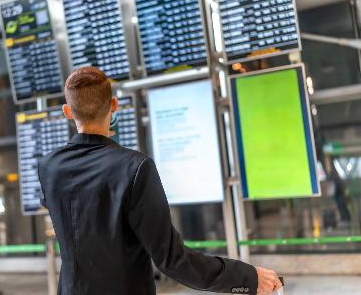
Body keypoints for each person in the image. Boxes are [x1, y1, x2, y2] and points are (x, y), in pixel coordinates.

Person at [38, 67, 282, 295]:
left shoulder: (49, 167)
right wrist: (248, 277)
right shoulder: (134, 168)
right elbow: (172, 259)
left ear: (68, 112)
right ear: (114, 105)